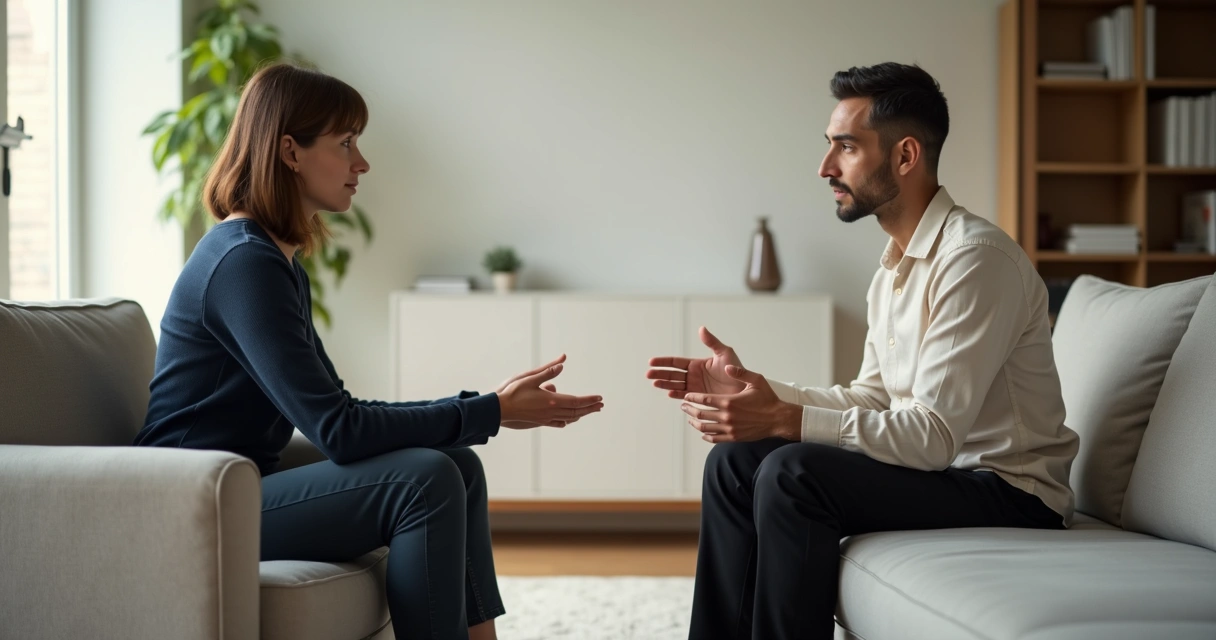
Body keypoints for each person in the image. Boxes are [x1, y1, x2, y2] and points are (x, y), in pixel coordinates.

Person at [132, 62, 604, 640]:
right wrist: (493, 409)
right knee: (424, 478)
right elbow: (341, 430)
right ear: (290, 151)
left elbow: (340, 413)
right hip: (190, 509)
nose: (363, 163)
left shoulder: (273, 259)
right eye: (346, 143)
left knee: (459, 464)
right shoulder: (244, 264)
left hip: (237, 489)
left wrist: (486, 412)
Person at [645, 62, 1079, 640]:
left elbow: (930, 439)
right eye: (830, 147)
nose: (825, 168)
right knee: (734, 461)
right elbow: (873, 397)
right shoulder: (894, 268)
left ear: (905, 156)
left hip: (1010, 492)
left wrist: (787, 421)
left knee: (794, 472)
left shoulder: (975, 261)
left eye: (846, 148)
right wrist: (764, 394)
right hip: (948, 473)